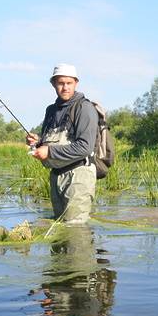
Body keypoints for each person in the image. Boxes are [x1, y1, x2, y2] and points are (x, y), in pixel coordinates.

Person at [26, 64, 98, 224]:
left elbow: (85, 147)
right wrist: (37, 142)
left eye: (69, 83)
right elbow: (48, 142)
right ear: (53, 84)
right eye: (60, 83)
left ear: (76, 83)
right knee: (59, 225)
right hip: (56, 175)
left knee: (74, 229)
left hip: (79, 175)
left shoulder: (84, 108)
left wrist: (49, 152)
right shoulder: (50, 110)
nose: (65, 87)